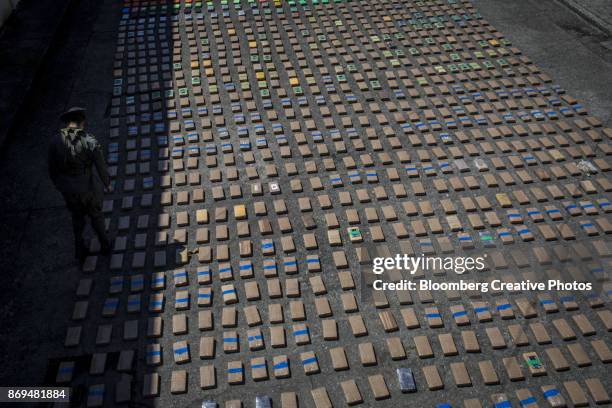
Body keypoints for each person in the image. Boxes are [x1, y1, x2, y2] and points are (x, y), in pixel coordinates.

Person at [48, 107, 112, 263]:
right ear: (82, 121)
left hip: (68, 191)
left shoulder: (55, 141)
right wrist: (107, 183)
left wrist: (60, 186)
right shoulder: (89, 141)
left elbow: (52, 169)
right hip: (87, 188)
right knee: (96, 216)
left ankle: (80, 250)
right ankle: (104, 245)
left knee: (77, 219)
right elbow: (101, 166)